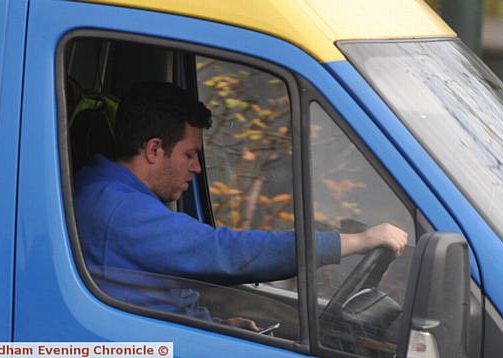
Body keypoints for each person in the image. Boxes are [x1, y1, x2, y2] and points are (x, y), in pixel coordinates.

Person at [74, 81, 408, 331]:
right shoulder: (115, 208)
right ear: (155, 149)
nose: (197, 168)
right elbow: (225, 252)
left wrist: (218, 323)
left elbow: (152, 296)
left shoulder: (113, 193)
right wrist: (355, 242)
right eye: (189, 154)